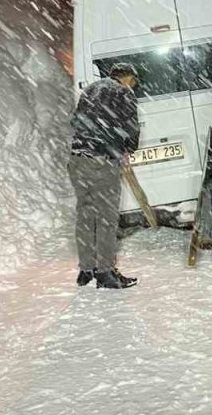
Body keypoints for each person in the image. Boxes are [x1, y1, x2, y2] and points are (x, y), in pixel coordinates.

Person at [69, 64, 141, 289]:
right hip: (103, 161)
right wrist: (127, 148)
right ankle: (105, 272)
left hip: (78, 160)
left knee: (85, 215)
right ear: (128, 78)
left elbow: (75, 121)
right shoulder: (123, 92)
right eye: (134, 82)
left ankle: (86, 269)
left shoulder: (90, 90)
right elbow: (131, 129)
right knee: (107, 219)